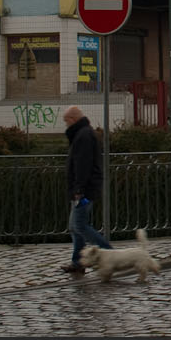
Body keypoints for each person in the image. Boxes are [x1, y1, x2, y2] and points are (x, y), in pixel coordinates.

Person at [61, 105, 111, 275]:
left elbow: (82, 165)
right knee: (75, 226)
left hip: (84, 191)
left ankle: (108, 253)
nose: (65, 124)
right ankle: (78, 261)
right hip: (84, 189)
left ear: (73, 119)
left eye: (66, 121)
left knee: (79, 225)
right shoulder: (84, 133)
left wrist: (78, 188)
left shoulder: (83, 136)